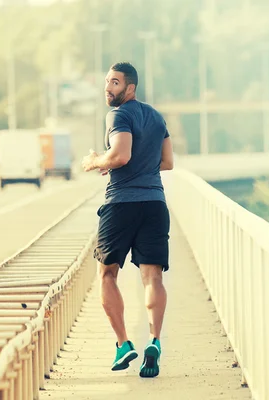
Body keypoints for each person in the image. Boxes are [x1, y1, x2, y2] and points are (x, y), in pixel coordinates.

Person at [81, 62, 174, 378]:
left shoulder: (118, 115)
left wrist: (96, 161)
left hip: (121, 204)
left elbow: (120, 155)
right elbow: (167, 162)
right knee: (153, 278)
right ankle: (155, 341)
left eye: (115, 83)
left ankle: (123, 344)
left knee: (107, 274)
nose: (108, 88)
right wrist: (131, 167)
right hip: (154, 204)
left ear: (130, 88)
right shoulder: (156, 117)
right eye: (107, 82)